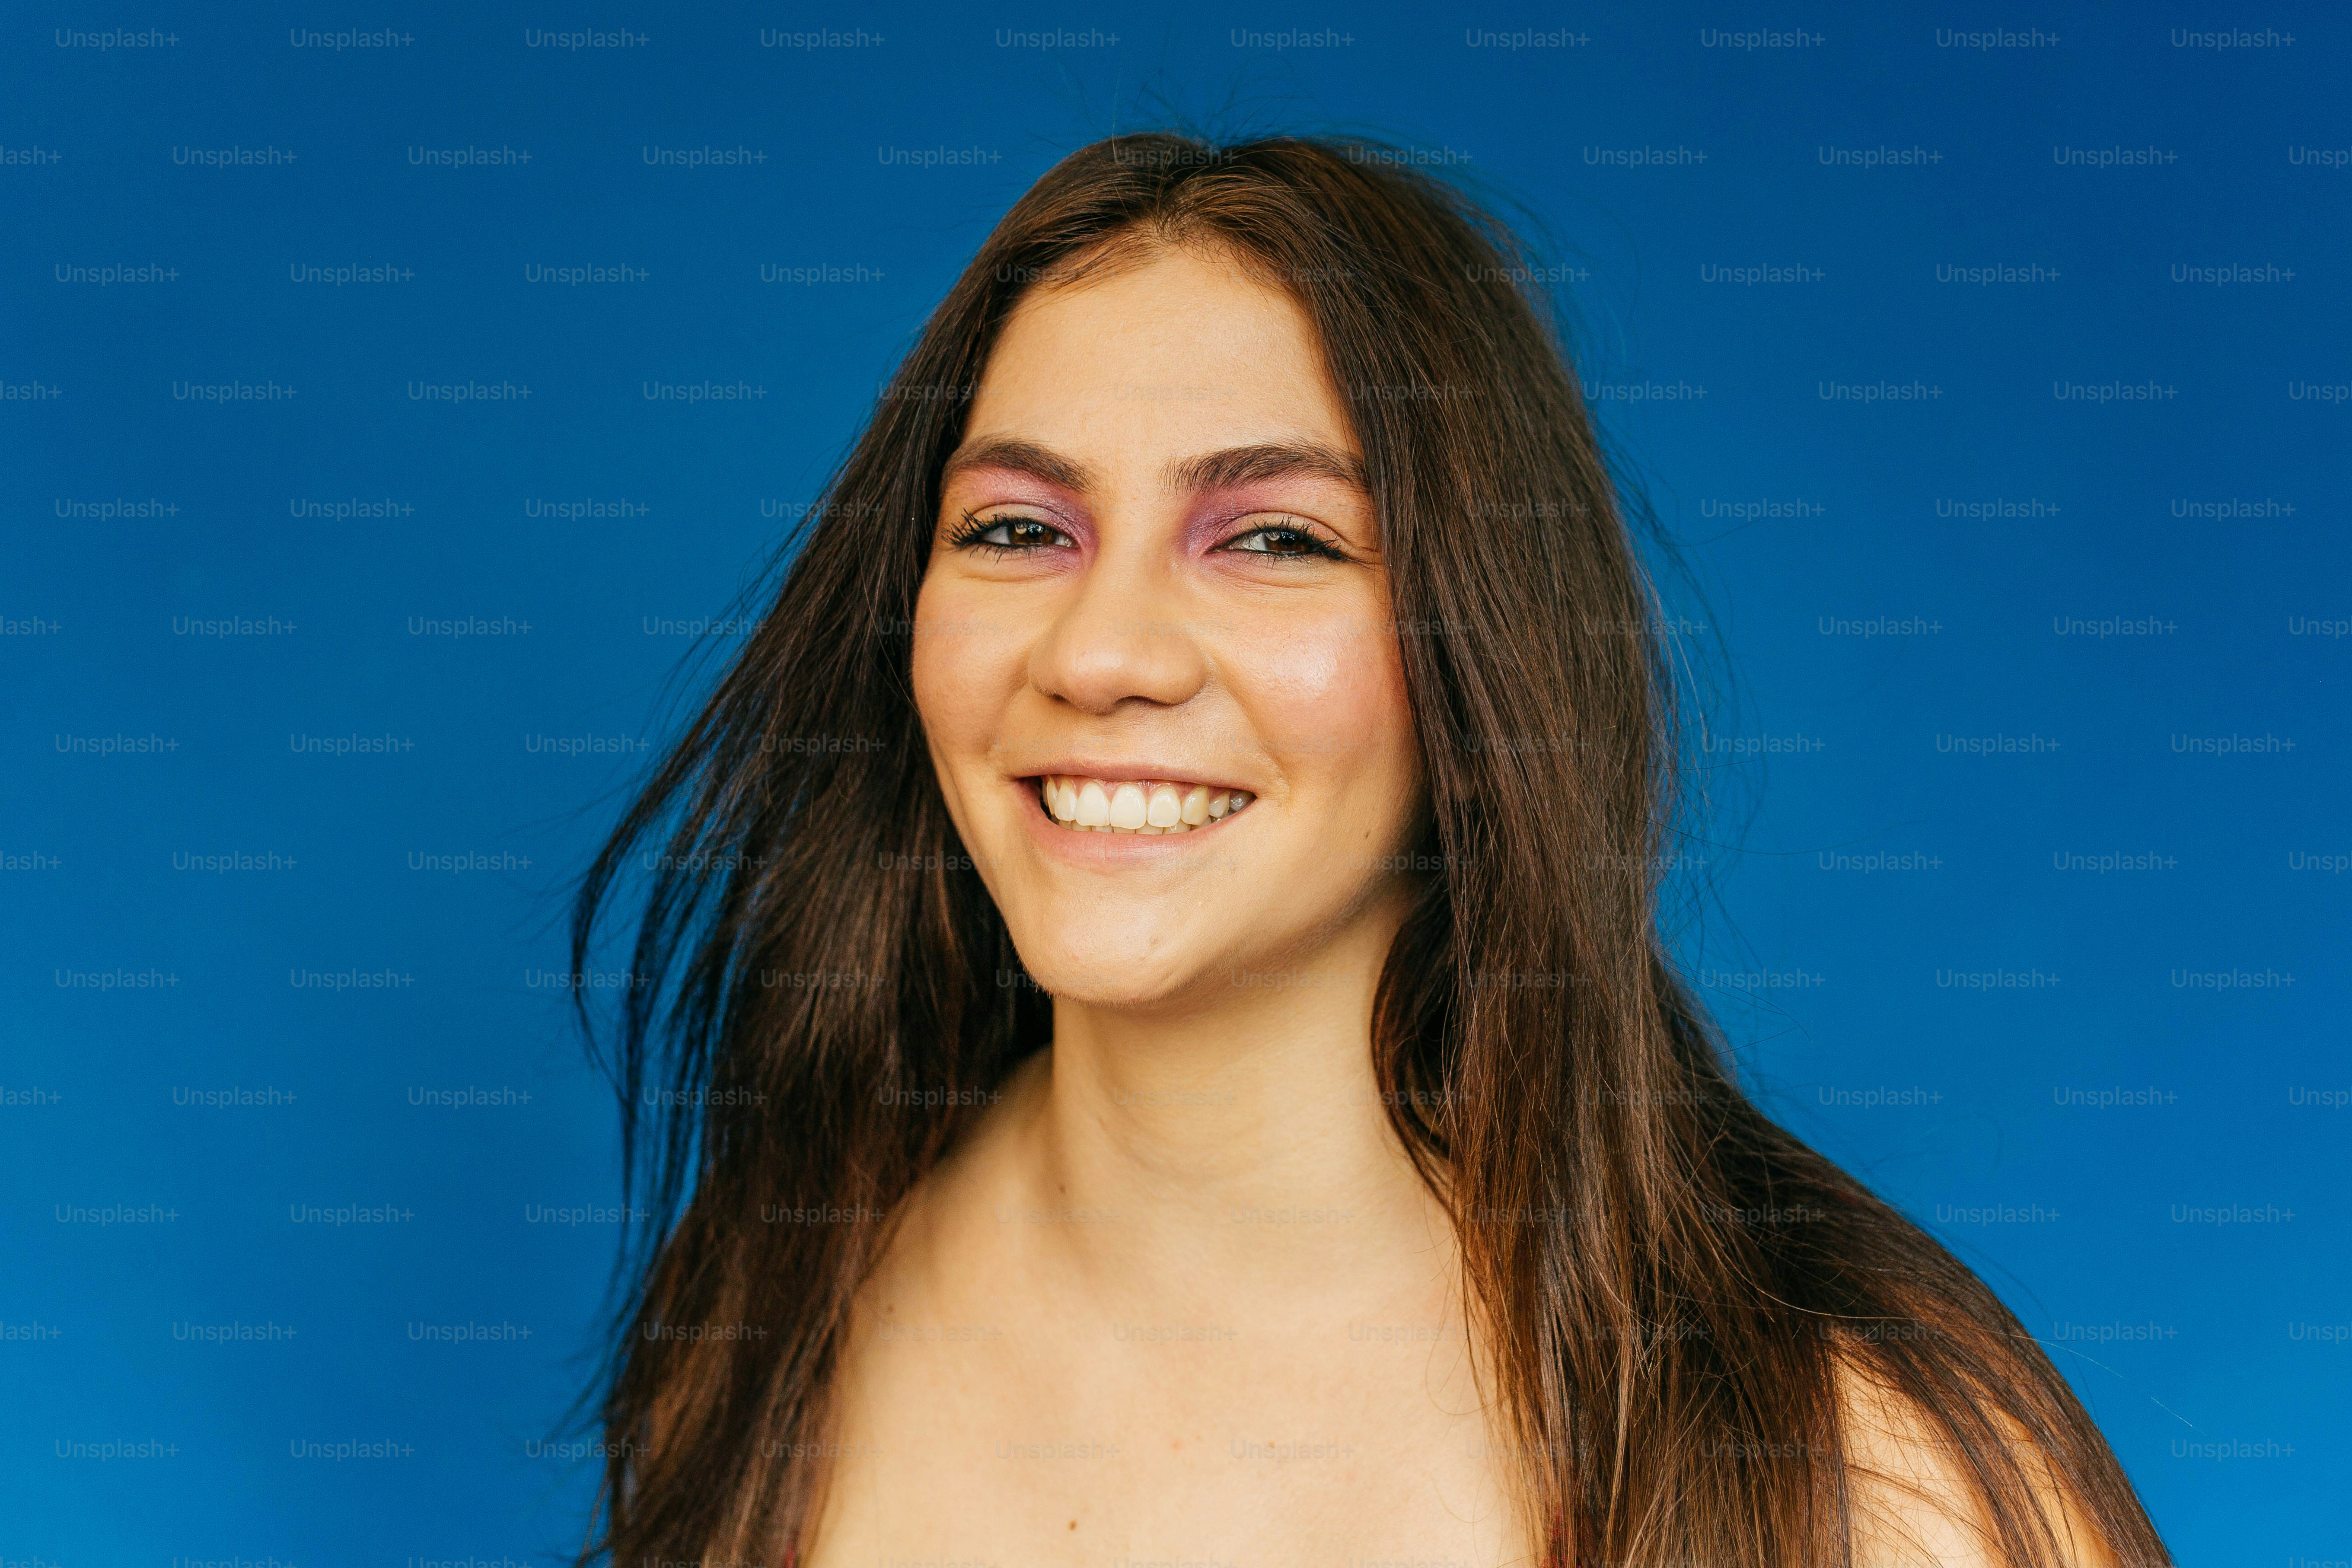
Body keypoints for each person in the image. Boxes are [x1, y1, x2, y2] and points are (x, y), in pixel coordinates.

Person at [571, 133, 2167, 1568]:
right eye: (1016, 528)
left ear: (1483, 645)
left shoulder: (1861, 1475)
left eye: (1274, 538)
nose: (1103, 649)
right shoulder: (783, 1286)